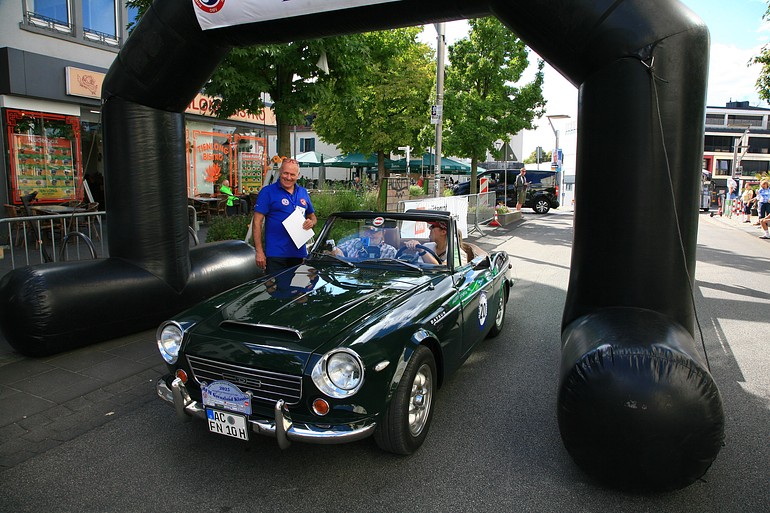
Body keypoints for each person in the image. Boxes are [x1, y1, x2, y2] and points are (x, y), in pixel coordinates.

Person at [252, 158, 317, 275]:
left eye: (292, 174)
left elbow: (312, 216)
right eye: (285, 173)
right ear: (280, 172)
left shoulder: (303, 192)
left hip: (299, 254)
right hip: (276, 254)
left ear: (298, 175)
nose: (288, 177)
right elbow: (257, 222)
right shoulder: (267, 192)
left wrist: (311, 222)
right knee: (278, 287)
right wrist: (259, 252)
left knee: (299, 287)